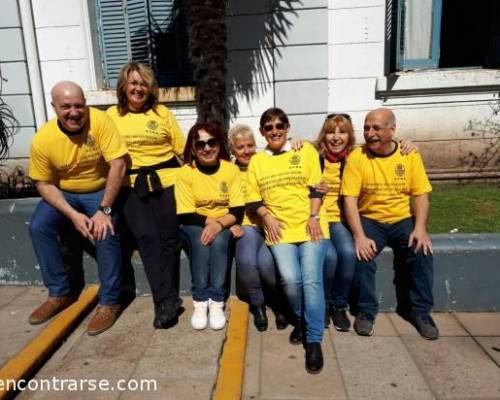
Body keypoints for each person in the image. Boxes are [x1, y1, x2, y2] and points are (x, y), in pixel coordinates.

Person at [28, 81, 128, 336]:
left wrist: (104, 210)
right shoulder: (44, 139)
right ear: (54, 108)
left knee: (105, 230)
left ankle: (109, 301)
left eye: (78, 105)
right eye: (66, 107)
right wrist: (72, 215)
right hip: (66, 194)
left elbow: (118, 164)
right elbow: (43, 183)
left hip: (100, 190)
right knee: (39, 227)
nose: (74, 112)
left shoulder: (101, 121)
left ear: (85, 104)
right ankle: (59, 293)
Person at [342, 108, 439, 340]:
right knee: (362, 255)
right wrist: (358, 235)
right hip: (370, 219)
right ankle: (366, 311)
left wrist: (420, 228)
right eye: (366, 128)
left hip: (402, 219)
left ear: (392, 130)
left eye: (376, 128)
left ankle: (420, 312)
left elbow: (421, 195)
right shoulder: (357, 157)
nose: (370, 133)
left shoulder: (409, 155)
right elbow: (350, 199)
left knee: (421, 250)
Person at [246, 108, 329, 374]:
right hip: (279, 229)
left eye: (279, 125)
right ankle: (303, 320)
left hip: (311, 225)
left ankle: (313, 340)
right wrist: (266, 216)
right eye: (268, 127)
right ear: (262, 132)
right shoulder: (257, 162)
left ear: (288, 126)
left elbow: (317, 187)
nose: (275, 131)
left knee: (312, 279)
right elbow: (252, 198)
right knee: (291, 280)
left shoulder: (303, 151)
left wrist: (314, 216)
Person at [106, 62, 185, 329]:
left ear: (150, 88)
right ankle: (165, 300)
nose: (138, 88)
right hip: (131, 184)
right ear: (123, 87)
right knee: (147, 239)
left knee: (170, 239)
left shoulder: (162, 113)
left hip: (168, 181)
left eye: (143, 83)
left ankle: (168, 298)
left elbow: (182, 151)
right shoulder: (111, 116)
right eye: (133, 83)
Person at [176, 122, 244, 331]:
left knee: (220, 239)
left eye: (211, 142)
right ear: (193, 148)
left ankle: (216, 300)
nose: (206, 148)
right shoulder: (186, 173)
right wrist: (216, 223)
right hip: (194, 223)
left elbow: (237, 210)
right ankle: (200, 300)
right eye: (200, 144)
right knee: (201, 240)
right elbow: (186, 213)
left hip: (223, 222)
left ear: (219, 144)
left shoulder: (230, 170)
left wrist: (221, 225)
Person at [227, 124, 289, 332]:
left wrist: (300, 142)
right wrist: (230, 222)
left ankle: (277, 302)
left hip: (272, 223)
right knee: (246, 262)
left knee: (267, 266)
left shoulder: (266, 163)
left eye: (250, 145)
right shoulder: (230, 171)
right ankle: (258, 304)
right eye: (240, 147)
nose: (246, 151)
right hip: (247, 226)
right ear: (232, 150)